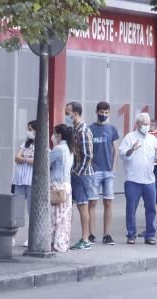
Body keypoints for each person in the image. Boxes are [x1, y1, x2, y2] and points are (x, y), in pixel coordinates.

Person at [119, 113, 157, 245]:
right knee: (131, 209)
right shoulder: (130, 137)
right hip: (133, 179)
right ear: (138, 124)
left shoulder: (153, 139)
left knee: (151, 208)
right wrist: (131, 150)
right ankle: (131, 235)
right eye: (145, 124)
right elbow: (123, 155)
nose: (147, 126)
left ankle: (150, 235)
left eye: (148, 124)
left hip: (149, 179)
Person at [88, 101, 119, 245]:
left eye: (106, 113)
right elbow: (86, 150)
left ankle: (107, 235)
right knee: (92, 202)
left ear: (109, 113)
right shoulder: (90, 129)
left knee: (108, 203)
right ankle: (91, 234)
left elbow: (115, 149)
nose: (104, 115)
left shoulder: (112, 129)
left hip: (108, 172)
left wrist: (114, 167)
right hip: (94, 171)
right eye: (101, 112)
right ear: (96, 112)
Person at [65, 101, 96, 250]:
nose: (67, 116)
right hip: (77, 172)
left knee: (82, 206)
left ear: (75, 113)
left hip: (82, 174)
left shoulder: (83, 131)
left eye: (68, 113)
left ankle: (85, 239)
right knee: (79, 205)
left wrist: (77, 171)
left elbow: (88, 155)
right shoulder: (75, 129)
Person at [50, 123, 75, 252]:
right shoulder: (70, 149)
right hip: (67, 185)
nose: (52, 136)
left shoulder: (58, 149)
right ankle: (62, 243)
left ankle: (55, 243)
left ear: (59, 135)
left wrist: (52, 146)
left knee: (55, 216)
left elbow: (45, 162)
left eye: (54, 134)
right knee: (65, 216)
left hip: (56, 184)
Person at [12, 120, 36, 246]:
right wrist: (28, 159)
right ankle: (12, 236)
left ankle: (31, 237)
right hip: (20, 180)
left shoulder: (43, 146)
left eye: (31, 129)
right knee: (16, 209)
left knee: (31, 211)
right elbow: (16, 157)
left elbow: (38, 161)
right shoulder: (25, 144)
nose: (29, 132)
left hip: (32, 181)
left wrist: (24, 159)